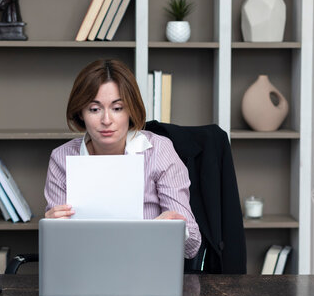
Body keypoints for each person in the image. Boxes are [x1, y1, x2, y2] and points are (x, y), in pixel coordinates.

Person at [44, 59, 201, 259]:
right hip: (86, 268)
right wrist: (52, 231)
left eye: (117, 108)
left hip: (147, 267)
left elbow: (192, 246)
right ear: (80, 113)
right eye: (94, 109)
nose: (106, 120)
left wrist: (174, 229)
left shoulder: (158, 151)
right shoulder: (62, 158)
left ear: (130, 110)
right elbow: (59, 253)